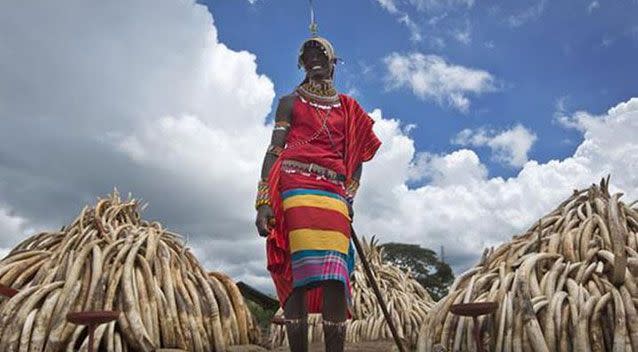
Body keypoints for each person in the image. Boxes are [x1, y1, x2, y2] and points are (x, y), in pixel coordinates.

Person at [255, 36, 381, 352]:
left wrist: (349, 197)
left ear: (332, 62)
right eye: (307, 57)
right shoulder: (290, 102)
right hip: (294, 189)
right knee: (299, 274)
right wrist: (264, 201)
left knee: (336, 277)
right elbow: (273, 151)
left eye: (320, 55)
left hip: (334, 195)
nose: (314, 61)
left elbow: (360, 152)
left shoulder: (349, 108)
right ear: (301, 64)